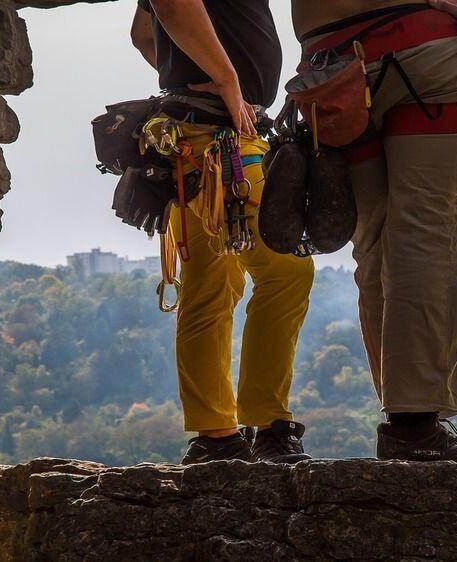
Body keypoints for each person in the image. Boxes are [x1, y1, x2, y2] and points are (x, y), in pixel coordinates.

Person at [289, 0, 457, 464]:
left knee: (372, 241)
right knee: (425, 236)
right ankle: (413, 423)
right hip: (425, 50)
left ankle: (405, 415)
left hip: (331, 73)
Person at [131, 0, 315, 465]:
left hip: (195, 136)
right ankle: (268, 424)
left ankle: (216, 436)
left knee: (210, 288)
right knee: (286, 271)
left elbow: (142, 33)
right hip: (222, 136)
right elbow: (170, 6)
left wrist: (195, 74)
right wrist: (229, 82)